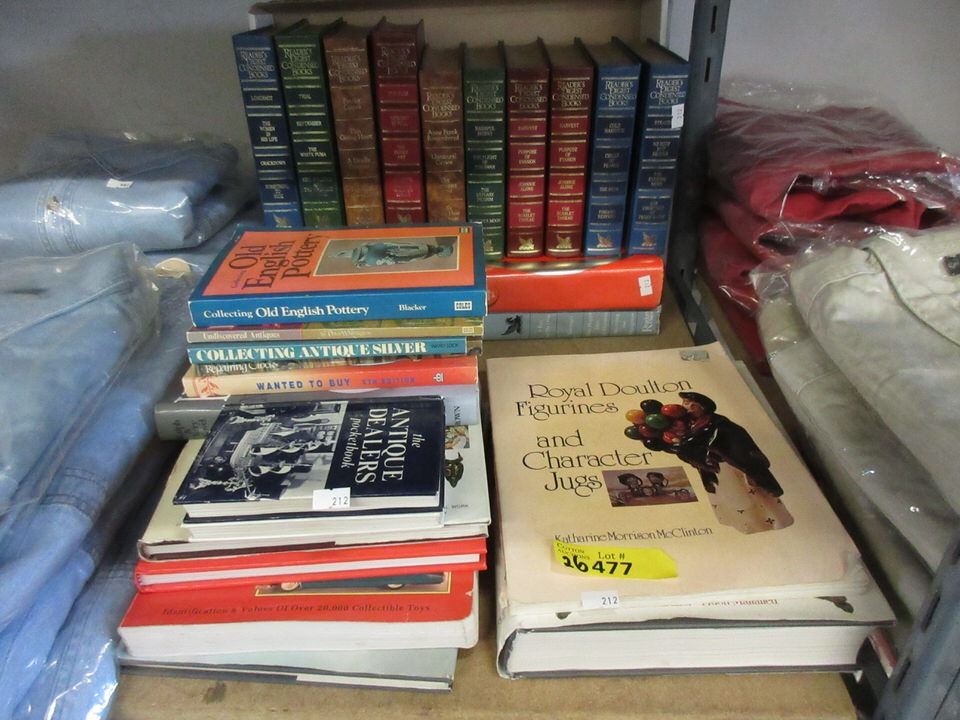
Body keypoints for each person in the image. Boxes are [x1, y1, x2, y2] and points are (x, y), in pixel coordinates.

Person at [673, 391, 784, 497]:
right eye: (686, 403)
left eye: (694, 405)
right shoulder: (689, 423)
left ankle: (770, 488)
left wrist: (683, 442)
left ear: (703, 408)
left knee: (751, 468)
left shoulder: (714, 421)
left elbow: (709, 437)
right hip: (718, 461)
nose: (689, 408)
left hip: (732, 453)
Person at [337, 240, 454, 267]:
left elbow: (385, 245)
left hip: (394, 249)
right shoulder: (367, 259)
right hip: (394, 256)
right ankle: (437, 250)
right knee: (413, 254)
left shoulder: (368, 251)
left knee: (414, 249)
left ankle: (437, 250)